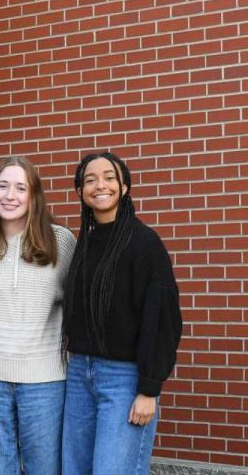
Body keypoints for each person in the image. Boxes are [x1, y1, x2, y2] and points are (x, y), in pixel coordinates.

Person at [61, 152, 182, 474]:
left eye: (109, 177)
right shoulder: (84, 243)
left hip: (125, 379)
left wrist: (149, 389)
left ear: (124, 186)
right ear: (80, 191)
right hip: (80, 375)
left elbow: (163, 320)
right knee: (75, 469)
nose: (100, 185)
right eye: (90, 179)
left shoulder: (145, 243)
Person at [0, 156, 76, 475]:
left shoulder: (60, 240)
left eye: (20, 188)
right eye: (2, 186)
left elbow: (78, 307)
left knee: (45, 468)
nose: (10, 195)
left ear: (33, 196)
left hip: (44, 379)